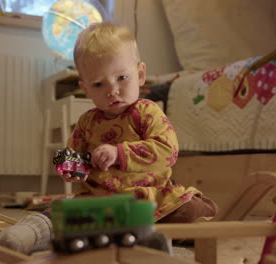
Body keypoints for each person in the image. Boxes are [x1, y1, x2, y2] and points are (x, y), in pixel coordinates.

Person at [60, 22, 217, 223]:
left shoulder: (146, 111)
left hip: (149, 198)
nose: (112, 91)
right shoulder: (86, 122)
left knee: (191, 210)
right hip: (102, 202)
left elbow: (168, 151)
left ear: (140, 75)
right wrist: (70, 168)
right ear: (86, 89)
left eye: (122, 78)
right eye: (99, 84)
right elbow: (68, 155)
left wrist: (118, 153)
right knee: (64, 214)